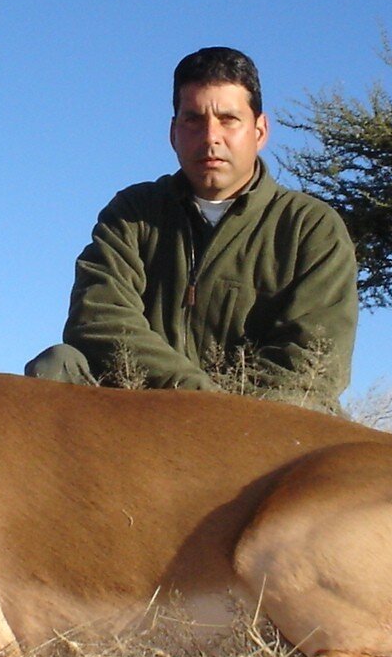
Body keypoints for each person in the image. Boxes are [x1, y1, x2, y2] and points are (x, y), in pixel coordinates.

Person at [25, 46, 358, 410]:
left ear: (260, 131)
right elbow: (96, 321)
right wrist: (194, 397)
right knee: (56, 366)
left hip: (259, 427)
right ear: (173, 132)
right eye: (194, 120)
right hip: (143, 411)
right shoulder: (133, 211)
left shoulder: (311, 228)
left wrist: (221, 417)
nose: (210, 137)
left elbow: (314, 363)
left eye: (229, 119)